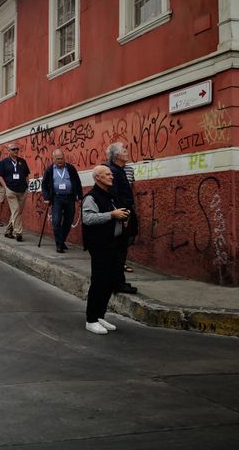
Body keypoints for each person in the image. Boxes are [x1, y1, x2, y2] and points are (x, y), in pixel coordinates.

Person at [82, 165, 130, 335]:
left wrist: (123, 216)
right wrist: (112, 215)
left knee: (110, 281)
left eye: (111, 174)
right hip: (100, 245)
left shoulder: (110, 196)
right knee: (99, 281)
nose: (112, 177)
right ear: (98, 178)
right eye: (107, 174)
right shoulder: (91, 197)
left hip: (114, 244)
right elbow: (88, 218)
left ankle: (100, 315)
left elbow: (115, 212)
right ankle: (91, 319)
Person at [104, 142, 139, 294]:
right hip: (122, 214)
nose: (127, 152)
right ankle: (117, 283)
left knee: (122, 248)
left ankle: (119, 281)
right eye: (124, 150)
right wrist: (123, 215)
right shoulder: (114, 171)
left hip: (126, 212)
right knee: (119, 251)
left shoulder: (120, 170)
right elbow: (114, 196)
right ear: (117, 155)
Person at [41, 149, 83, 253]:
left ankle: (61, 240)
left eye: (62, 158)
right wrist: (46, 198)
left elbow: (77, 182)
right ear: (53, 159)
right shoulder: (50, 170)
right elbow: (44, 185)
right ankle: (59, 244)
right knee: (56, 221)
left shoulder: (70, 168)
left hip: (69, 197)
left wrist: (80, 197)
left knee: (68, 221)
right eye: (58, 159)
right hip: (57, 198)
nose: (60, 160)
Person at [0, 143, 30, 241]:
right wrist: (6, 188)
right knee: (16, 210)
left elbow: (26, 175)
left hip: (22, 190)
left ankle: (8, 231)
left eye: (17, 149)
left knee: (17, 212)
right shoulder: (4, 162)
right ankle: (18, 232)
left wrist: (27, 186)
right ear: (9, 151)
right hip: (11, 190)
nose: (16, 151)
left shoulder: (22, 161)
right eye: (13, 149)